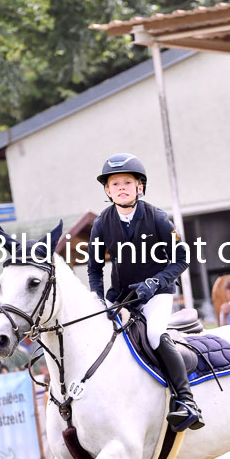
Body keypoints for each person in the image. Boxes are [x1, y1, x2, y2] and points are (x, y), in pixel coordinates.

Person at [88, 152, 203, 431]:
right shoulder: (101, 224)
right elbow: (94, 269)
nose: (122, 188)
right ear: (107, 190)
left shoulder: (158, 218)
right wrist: (97, 297)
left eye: (128, 182)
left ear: (140, 187)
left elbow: (182, 259)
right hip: (121, 298)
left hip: (157, 295)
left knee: (153, 335)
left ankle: (186, 401)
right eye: (115, 184)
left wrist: (155, 282)